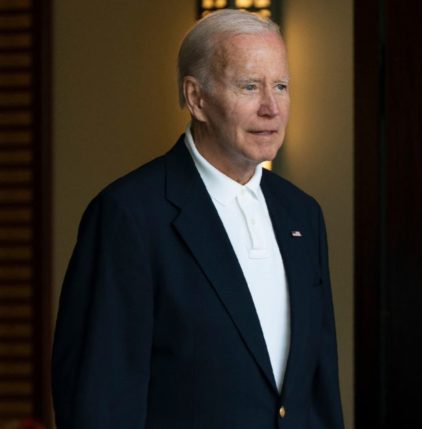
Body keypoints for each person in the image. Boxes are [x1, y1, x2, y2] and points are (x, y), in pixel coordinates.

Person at [51, 10, 343, 428]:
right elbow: (100, 398)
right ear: (196, 98)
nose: (272, 108)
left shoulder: (301, 213)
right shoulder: (128, 215)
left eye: (281, 86)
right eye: (249, 86)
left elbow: (319, 387)